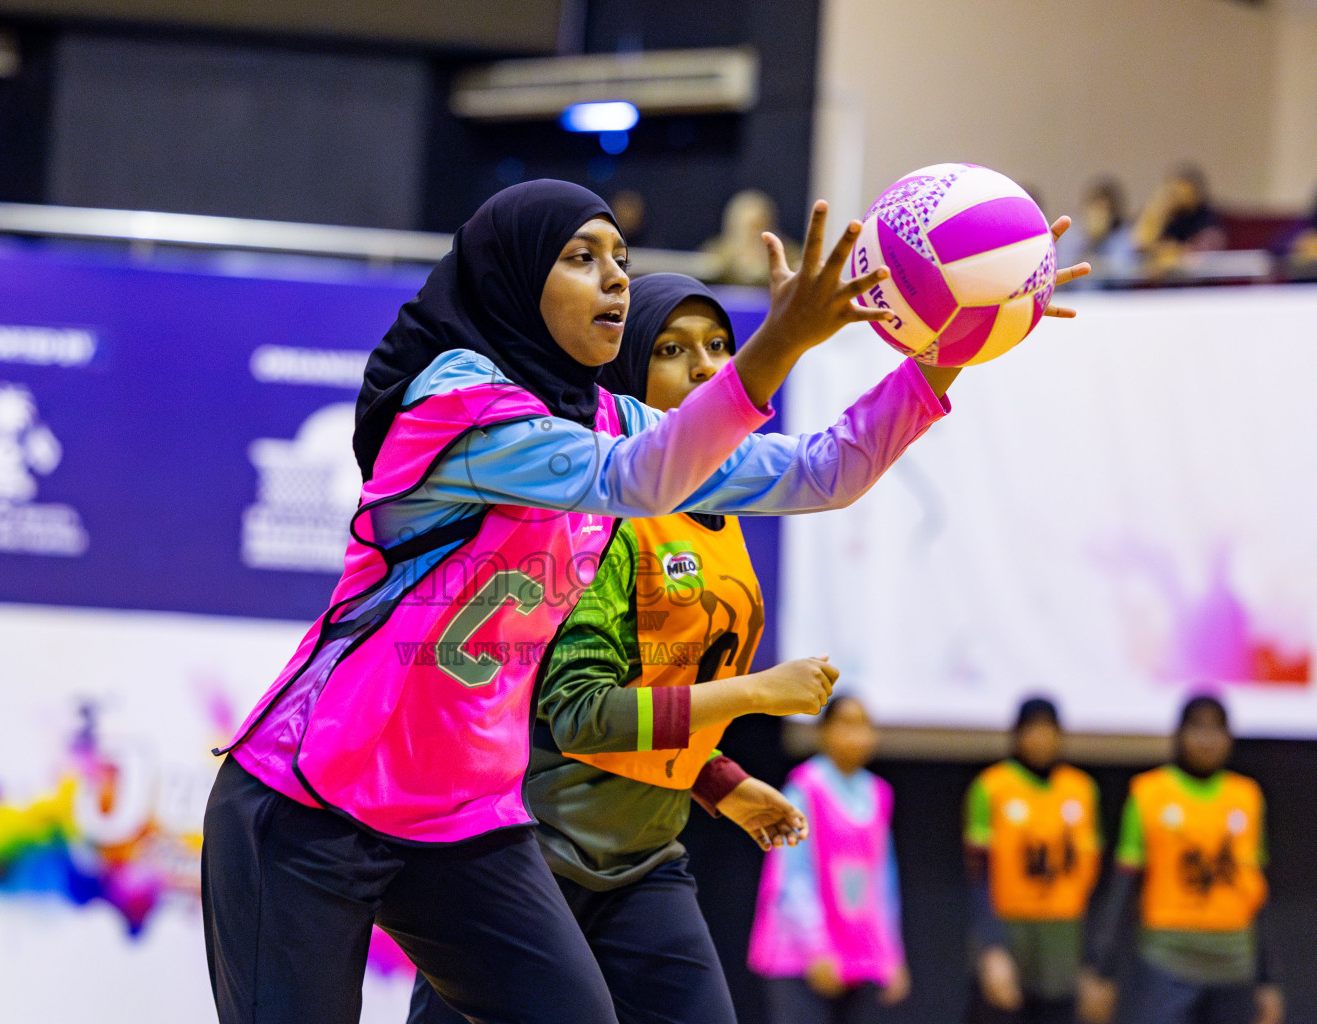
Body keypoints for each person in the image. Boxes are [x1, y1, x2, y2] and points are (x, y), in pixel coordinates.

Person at [201, 179, 1088, 1024]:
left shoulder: (615, 419)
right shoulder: (457, 399)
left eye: (621, 257)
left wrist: (951, 349)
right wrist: (781, 342)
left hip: (461, 817)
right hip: (312, 801)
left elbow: (828, 470)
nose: (617, 276)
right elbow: (637, 482)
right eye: (582, 257)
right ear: (512, 274)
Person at [407, 270, 897, 1024]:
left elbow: (839, 466)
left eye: (719, 346)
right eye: (673, 349)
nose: (706, 366)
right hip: (529, 853)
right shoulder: (599, 517)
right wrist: (757, 695)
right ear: (632, 379)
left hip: (642, 857)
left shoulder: (720, 503)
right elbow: (577, 718)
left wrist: (716, 778)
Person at [1079, 696, 1282, 1024]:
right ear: (1179, 734)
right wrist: (1102, 970)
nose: (1206, 740)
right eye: (1197, 728)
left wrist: (1268, 980)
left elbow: (1257, 895)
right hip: (1167, 959)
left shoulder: (1246, 797)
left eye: (1216, 729)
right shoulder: (1149, 793)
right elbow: (1122, 889)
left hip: (1233, 963)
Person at [749, 695, 910, 1024]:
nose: (856, 735)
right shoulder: (803, 789)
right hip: (801, 957)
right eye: (846, 724)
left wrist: (891, 955)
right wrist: (816, 949)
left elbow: (883, 882)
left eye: (864, 725)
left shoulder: (878, 794)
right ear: (823, 732)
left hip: (855, 958)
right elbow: (791, 879)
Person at [964, 698, 1100, 1024]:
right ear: (1016, 734)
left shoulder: (1081, 789)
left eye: (1048, 729)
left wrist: (1093, 962)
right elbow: (976, 876)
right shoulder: (991, 787)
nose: (1040, 738)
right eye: (1031, 729)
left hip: (1062, 934)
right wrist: (991, 946)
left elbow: (1091, 876)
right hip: (1009, 927)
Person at [1133, 164, 1227, 274]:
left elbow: (1201, 252)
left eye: (1183, 190)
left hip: (1197, 279)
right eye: (1173, 191)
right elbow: (1140, 244)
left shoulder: (1205, 216)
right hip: (1168, 277)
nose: (1178, 195)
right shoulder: (1168, 214)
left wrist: (1172, 252)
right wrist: (1157, 209)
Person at [705, 189, 801, 286]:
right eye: (747, 227)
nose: (752, 233)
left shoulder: (787, 255)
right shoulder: (716, 254)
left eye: (758, 225)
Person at [1055, 178, 1139, 283]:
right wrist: (1089, 239)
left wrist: (1098, 241)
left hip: (1112, 295)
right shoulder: (1069, 230)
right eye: (1093, 208)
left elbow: (1126, 270)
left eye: (1103, 210)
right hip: (1072, 296)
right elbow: (1061, 266)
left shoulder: (1123, 234)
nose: (1097, 215)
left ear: (1113, 214)